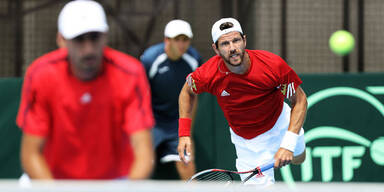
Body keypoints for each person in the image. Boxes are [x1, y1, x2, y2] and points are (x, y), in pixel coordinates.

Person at [16, 0, 155, 180]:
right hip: (53, 181)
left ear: (105, 36)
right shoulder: (39, 75)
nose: (88, 49)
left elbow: (143, 153)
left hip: (116, 182)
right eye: (79, 39)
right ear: (61, 40)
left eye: (94, 37)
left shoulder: (131, 73)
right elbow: (31, 153)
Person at [177, 18, 307, 186]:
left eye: (236, 40)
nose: (232, 48)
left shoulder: (272, 65)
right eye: (224, 44)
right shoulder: (207, 75)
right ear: (216, 49)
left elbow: (300, 100)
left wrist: (288, 144)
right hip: (249, 143)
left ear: (244, 40)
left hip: (281, 121)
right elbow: (186, 92)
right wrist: (184, 134)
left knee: (299, 158)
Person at [140, 19, 202, 180]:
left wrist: (186, 131)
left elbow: (193, 98)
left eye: (185, 40)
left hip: (177, 123)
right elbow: (140, 95)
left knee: (186, 164)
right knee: (144, 164)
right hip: (152, 121)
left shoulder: (194, 60)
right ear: (166, 40)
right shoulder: (149, 60)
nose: (182, 44)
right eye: (177, 40)